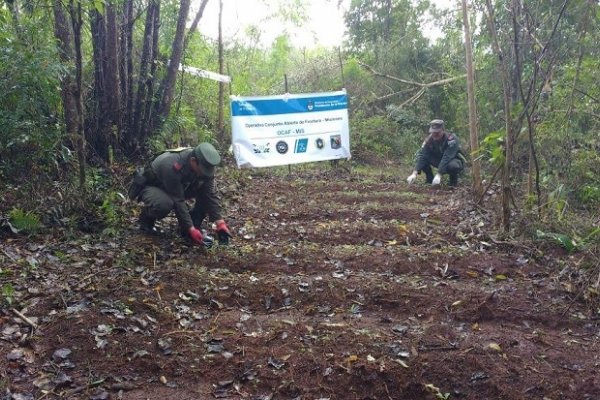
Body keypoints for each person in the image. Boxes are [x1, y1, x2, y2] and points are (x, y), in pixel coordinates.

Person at [129, 143, 232, 246]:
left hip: (178, 187)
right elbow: (178, 200)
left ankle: (192, 224)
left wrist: (220, 223)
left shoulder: (204, 165)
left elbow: (210, 195)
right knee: (164, 204)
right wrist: (190, 229)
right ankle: (146, 219)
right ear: (193, 161)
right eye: (203, 170)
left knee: (205, 196)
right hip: (154, 186)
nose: (205, 173)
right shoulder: (170, 165)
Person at [406, 119, 465, 187]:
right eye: (433, 132)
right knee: (421, 159)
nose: (435, 135)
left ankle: (453, 182)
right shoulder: (429, 140)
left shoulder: (451, 139)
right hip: (438, 160)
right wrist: (414, 173)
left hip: (453, 160)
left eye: (437, 133)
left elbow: (447, 157)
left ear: (443, 130)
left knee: (453, 166)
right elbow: (423, 156)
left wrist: (439, 174)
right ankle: (430, 179)